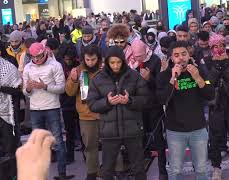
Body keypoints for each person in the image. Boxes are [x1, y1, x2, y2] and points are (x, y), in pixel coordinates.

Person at [87, 46, 151, 180]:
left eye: (118, 62)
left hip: (132, 129)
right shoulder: (98, 79)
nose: (115, 66)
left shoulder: (134, 76)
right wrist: (108, 102)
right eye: (112, 62)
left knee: (139, 168)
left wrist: (129, 100)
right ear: (107, 62)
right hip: (109, 132)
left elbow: (145, 99)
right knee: (107, 170)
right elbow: (92, 104)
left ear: (123, 61)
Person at [156, 41, 214, 180]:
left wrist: (198, 78)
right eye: (176, 55)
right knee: (175, 170)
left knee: (201, 169)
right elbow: (162, 100)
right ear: (171, 58)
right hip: (175, 131)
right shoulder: (164, 76)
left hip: (198, 129)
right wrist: (172, 79)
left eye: (184, 54)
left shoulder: (198, 70)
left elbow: (211, 95)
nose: (181, 58)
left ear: (189, 55)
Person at [22, 43, 74, 180]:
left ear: (44, 53)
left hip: (52, 107)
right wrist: (28, 89)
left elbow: (62, 88)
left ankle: (62, 173)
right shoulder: (28, 67)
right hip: (35, 109)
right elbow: (25, 92)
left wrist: (45, 86)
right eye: (33, 57)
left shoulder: (55, 65)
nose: (36, 60)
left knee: (58, 140)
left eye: (38, 56)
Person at [203, 34, 229, 180]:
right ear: (210, 48)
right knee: (215, 137)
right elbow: (207, 83)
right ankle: (216, 168)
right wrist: (216, 66)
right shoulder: (206, 61)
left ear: (225, 45)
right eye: (215, 46)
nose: (218, 49)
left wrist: (225, 64)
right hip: (215, 104)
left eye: (221, 45)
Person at [131, 39, 168, 179]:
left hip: (154, 106)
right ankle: (140, 169)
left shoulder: (155, 60)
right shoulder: (134, 62)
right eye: (135, 56)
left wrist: (149, 78)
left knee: (158, 139)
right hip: (140, 106)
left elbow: (161, 84)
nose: (137, 58)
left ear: (145, 51)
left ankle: (163, 171)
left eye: (139, 56)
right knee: (140, 138)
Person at [65, 45, 101, 180]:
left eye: (93, 60)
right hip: (86, 115)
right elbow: (69, 92)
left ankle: (115, 171)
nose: (91, 62)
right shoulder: (78, 70)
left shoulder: (105, 69)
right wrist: (73, 80)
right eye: (88, 60)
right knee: (90, 147)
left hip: (105, 113)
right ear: (83, 59)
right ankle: (92, 173)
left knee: (112, 145)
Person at [0, 56, 22, 158]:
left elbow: (18, 91)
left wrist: (1, 88)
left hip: (8, 111)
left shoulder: (9, 69)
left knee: (10, 145)